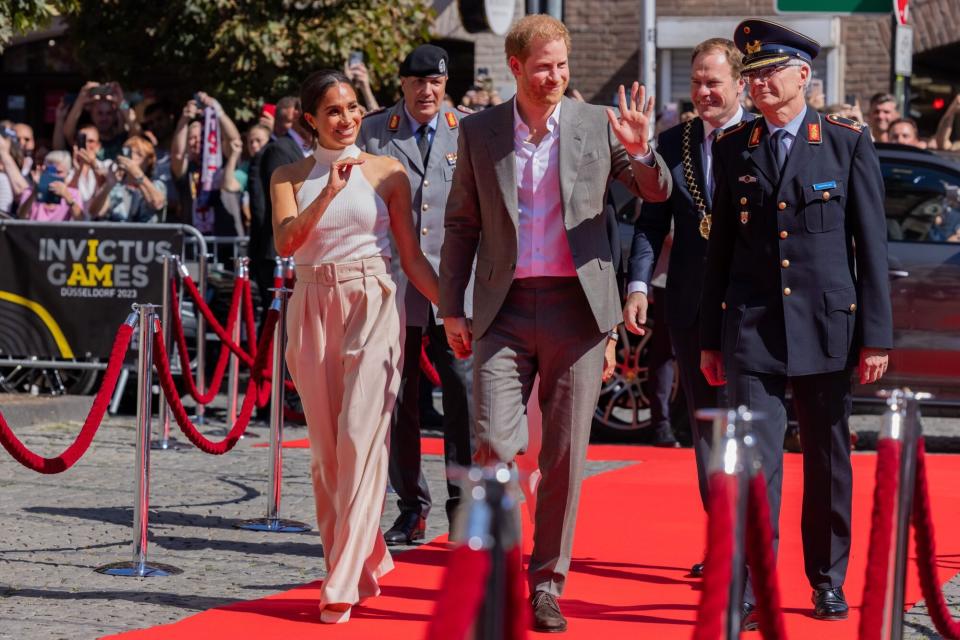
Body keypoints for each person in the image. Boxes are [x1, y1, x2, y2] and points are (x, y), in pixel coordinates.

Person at [438, 14, 671, 633]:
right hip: (503, 307)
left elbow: (655, 192)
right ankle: (498, 559)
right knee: (493, 443)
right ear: (515, 67)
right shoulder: (482, 130)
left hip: (578, 309)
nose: (556, 76)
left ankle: (547, 584)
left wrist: (644, 149)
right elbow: (462, 223)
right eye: (544, 66)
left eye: (563, 65)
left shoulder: (596, 123)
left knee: (567, 455)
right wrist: (450, 305)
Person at [699, 19, 892, 629]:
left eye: (769, 73)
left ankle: (827, 579)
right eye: (750, 75)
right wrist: (710, 338)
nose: (758, 84)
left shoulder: (843, 142)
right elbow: (720, 253)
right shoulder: (735, 150)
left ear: (803, 76)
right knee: (756, 465)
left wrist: (876, 336)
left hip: (829, 329)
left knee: (829, 463)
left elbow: (871, 245)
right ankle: (753, 583)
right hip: (755, 330)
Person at [270, 69, 439, 624]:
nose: (346, 119)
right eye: (333, 111)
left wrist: (455, 310)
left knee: (361, 437)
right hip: (311, 306)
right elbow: (287, 242)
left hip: (373, 301)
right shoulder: (289, 176)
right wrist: (330, 191)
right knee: (326, 453)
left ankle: (338, 581)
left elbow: (411, 259)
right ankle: (360, 559)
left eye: (351, 108)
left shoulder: (389, 173)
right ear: (311, 119)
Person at [625, 37, 753, 576]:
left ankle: (751, 548)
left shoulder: (762, 136)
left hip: (753, 310)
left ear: (740, 84)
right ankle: (723, 541)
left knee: (749, 428)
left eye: (713, 81)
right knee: (707, 431)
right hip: (690, 305)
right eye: (696, 81)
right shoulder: (672, 142)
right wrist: (636, 284)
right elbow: (651, 223)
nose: (702, 91)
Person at [358, 44, 474, 544]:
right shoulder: (374, 132)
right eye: (417, 82)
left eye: (436, 83)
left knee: (464, 396)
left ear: (446, 85)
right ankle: (411, 505)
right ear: (401, 84)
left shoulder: (469, 129)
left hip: (456, 287)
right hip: (396, 287)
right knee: (399, 398)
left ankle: (464, 506)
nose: (427, 91)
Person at [247, 98, 315, 322]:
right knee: (278, 323)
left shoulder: (311, 150)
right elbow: (274, 204)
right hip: (278, 253)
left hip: (302, 252)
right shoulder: (279, 150)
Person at [170, 91, 242, 233]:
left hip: (224, 238)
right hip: (193, 239)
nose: (197, 141)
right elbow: (177, 155)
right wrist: (184, 120)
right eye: (192, 138)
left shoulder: (220, 163)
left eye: (201, 136)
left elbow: (235, 142)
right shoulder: (187, 168)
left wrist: (219, 111)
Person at [87, 135, 167, 222]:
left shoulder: (157, 185)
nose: (132, 157)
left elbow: (157, 204)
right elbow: (96, 212)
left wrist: (137, 174)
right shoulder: (117, 187)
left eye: (139, 154)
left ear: (148, 161)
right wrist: (108, 185)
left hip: (146, 235)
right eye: (129, 152)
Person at [17, 151, 84, 221]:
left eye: (59, 172)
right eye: (50, 171)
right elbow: (21, 216)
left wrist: (68, 198)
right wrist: (35, 193)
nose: (54, 175)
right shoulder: (30, 191)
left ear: (67, 173)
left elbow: (81, 220)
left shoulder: (73, 194)